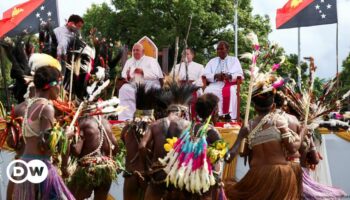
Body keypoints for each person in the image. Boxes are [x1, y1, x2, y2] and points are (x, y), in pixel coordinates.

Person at [12, 55, 75, 199]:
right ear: (51, 85)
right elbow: (45, 145)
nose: (60, 89)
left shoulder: (28, 105)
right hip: (40, 165)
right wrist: (66, 135)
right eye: (59, 84)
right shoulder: (47, 107)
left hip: (25, 163)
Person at [225, 89, 301, 199]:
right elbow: (292, 148)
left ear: (255, 107)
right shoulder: (278, 121)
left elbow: (243, 153)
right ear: (273, 106)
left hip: (256, 175)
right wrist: (302, 133)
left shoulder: (248, 125)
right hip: (279, 174)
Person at [139, 82, 197, 199]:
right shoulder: (188, 125)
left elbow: (142, 146)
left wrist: (148, 166)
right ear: (182, 112)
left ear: (168, 111)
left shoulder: (155, 124)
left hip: (157, 174)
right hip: (179, 175)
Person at [67, 115, 119, 200]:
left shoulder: (83, 121)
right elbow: (116, 149)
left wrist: (68, 139)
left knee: (73, 197)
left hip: (89, 169)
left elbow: (77, 151)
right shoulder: (106, 122)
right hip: (107, 169)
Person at [118, 43, 164, 121]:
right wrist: (129, 74)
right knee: (124, 89)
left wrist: (141, 72)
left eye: (137, 50)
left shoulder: (151, 60)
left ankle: (147, 116)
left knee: (151, 90)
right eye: (134, 50)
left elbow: (156, 74)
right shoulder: (129, 61)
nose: (135, 52)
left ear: (143, 51)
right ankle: (127, 118)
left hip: (149, 83)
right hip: (134, 84)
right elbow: (123, 74)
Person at [203, 41, 243, 120]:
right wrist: (215, 76)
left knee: (231, 91)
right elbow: (205, 74)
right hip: (215, 84)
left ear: (227, 49)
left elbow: (240, 74)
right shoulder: (212, 61)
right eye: (218, 49)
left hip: (229, 84)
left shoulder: (234, 60)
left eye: (222, 49)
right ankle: (210, 116)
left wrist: (230, 76)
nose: (219, 51)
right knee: (207, 90)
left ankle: (228, 116)